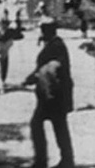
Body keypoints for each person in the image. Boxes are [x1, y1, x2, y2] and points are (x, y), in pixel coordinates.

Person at [23, 16, 75, 168]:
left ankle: (44, 161)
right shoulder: (54, 44)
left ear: (47, 30)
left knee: (41, 125)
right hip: (51, 93)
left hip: (53, 94)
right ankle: (65, 160)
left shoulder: (56, 46)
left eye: (43, 29)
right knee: (58, 126)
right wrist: (33, 76)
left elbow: (53, 67)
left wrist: (36, 76)